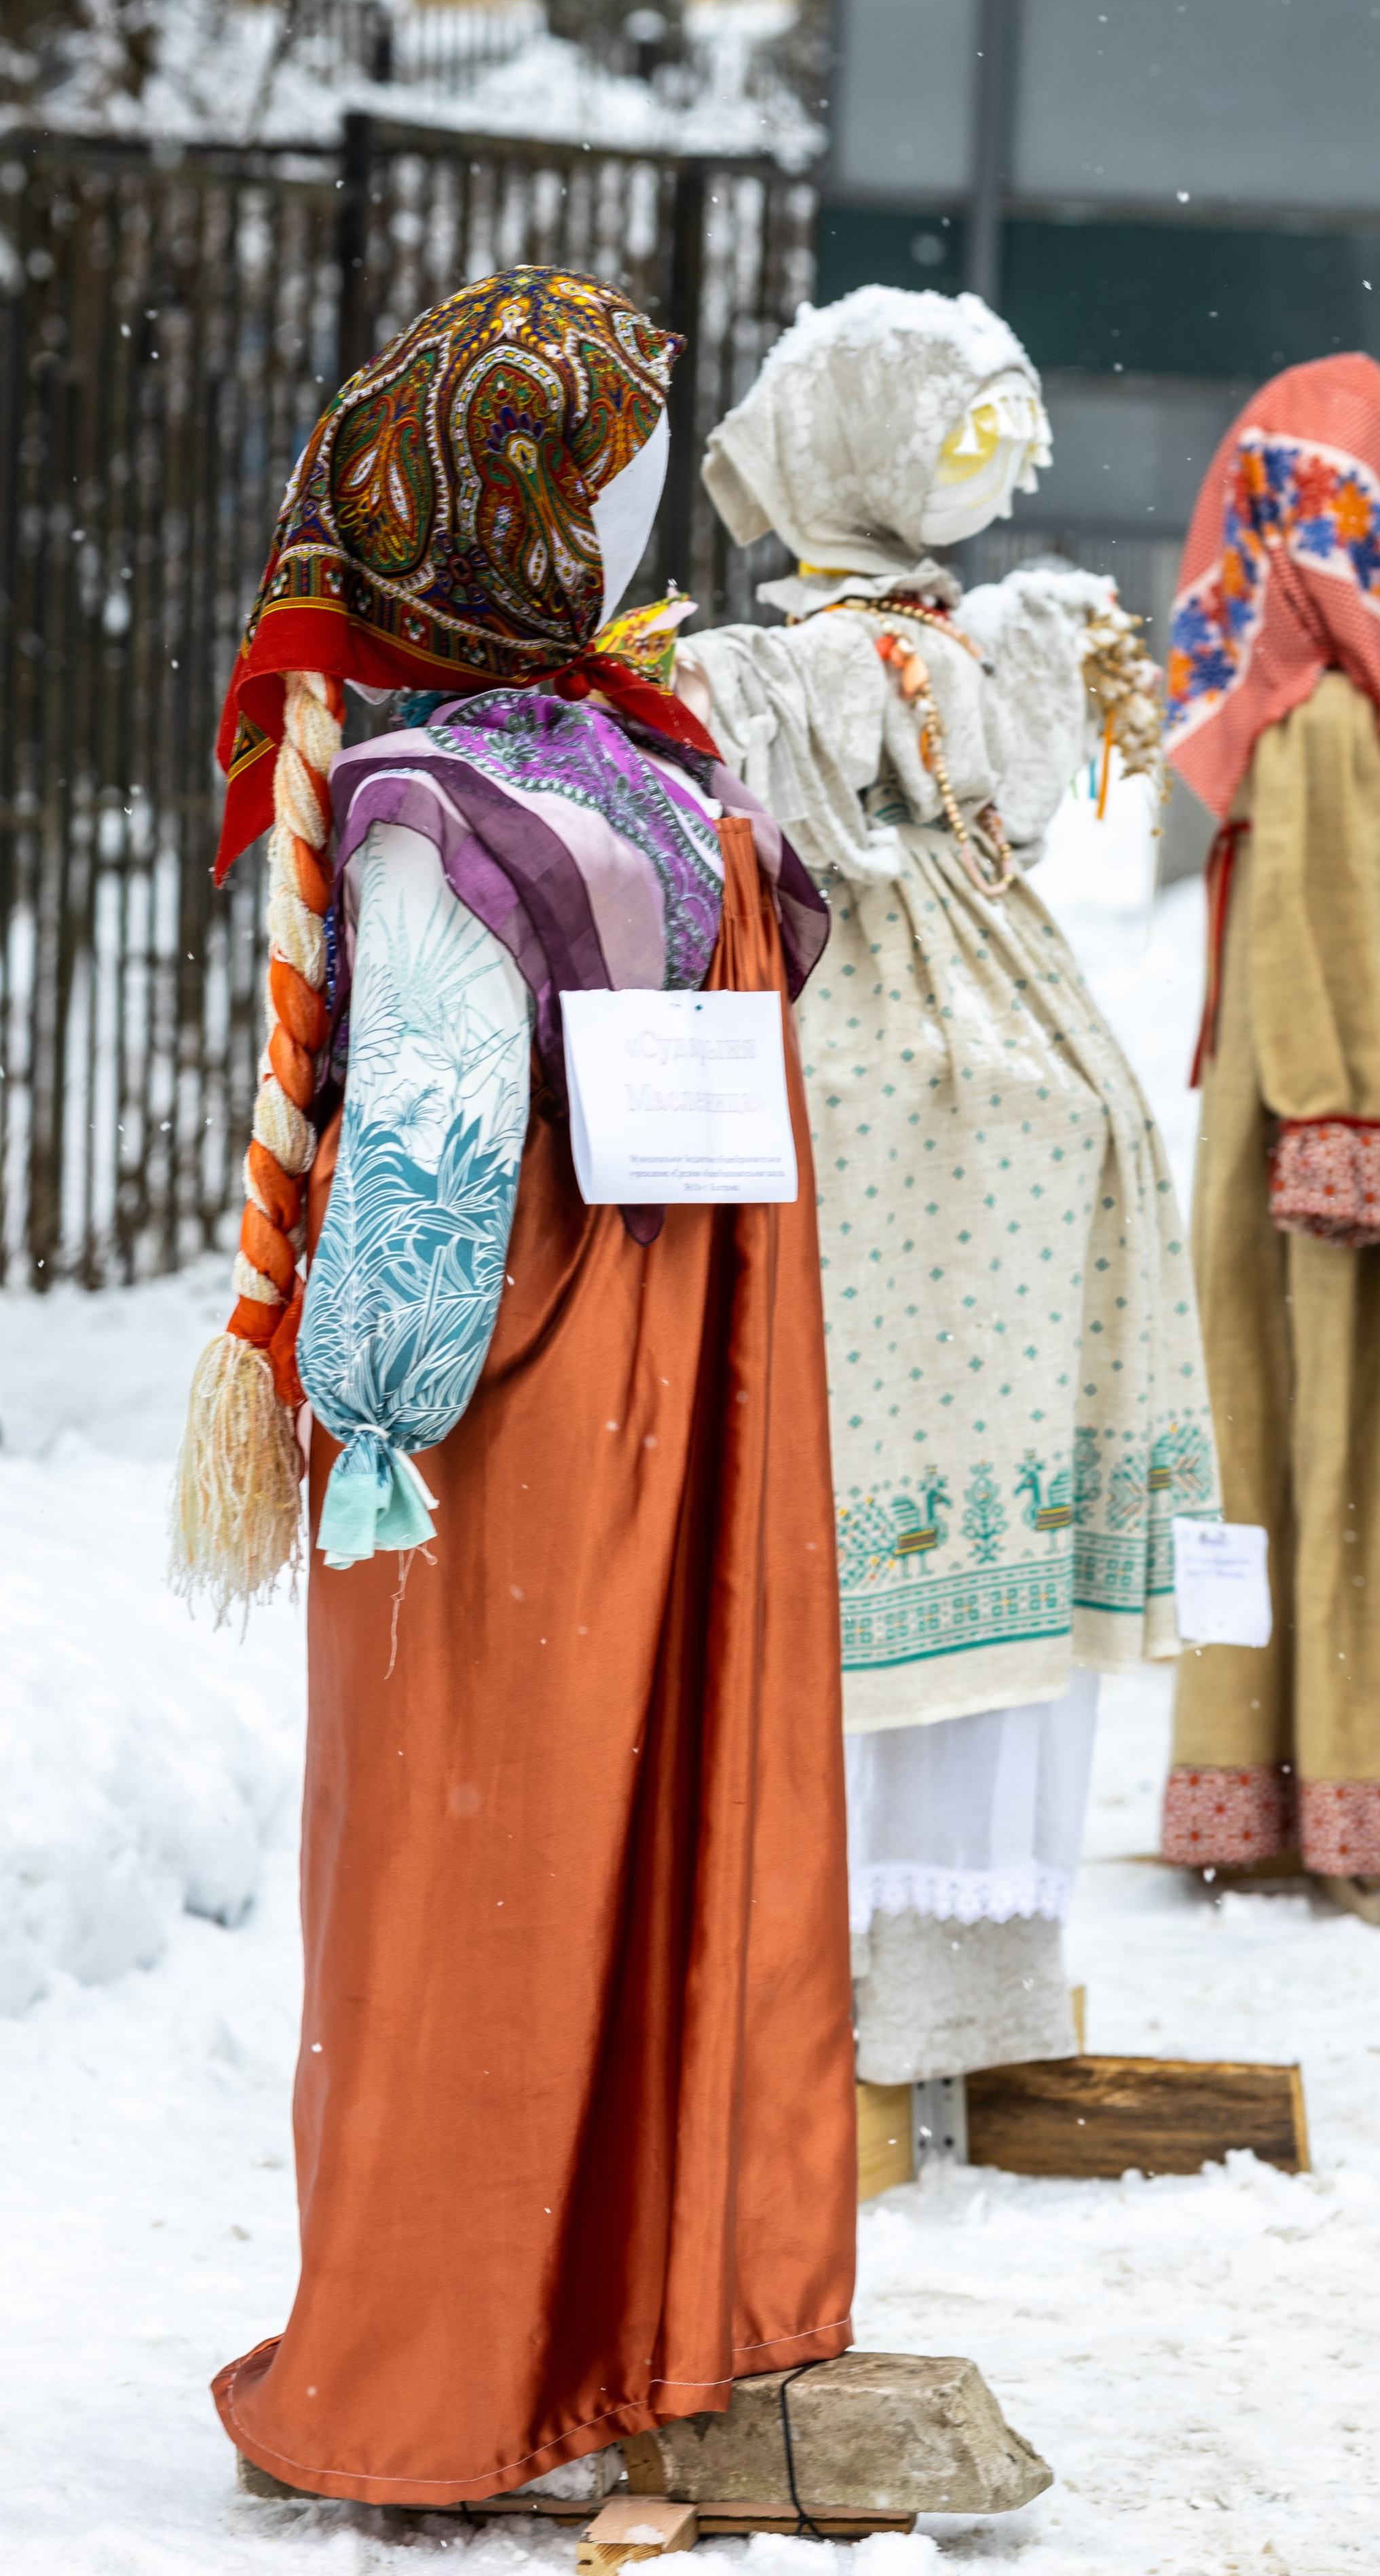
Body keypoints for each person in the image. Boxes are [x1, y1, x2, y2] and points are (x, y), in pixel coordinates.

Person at [170, 268, 857, 2505]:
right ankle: (623, 2311)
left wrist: (364, 1413)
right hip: (674, 1409)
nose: (652, 516)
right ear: (539, 527)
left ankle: (438, 2369)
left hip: (506, 1447)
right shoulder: (656, 783)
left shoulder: (443, 803)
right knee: (629, 1854)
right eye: (623, 475)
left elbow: (443, 1141)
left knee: (469, 1889)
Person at [681, 285, 1215, 2083]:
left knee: (971, 1465)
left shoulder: (935, 643)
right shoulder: (800, 667)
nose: (990, 471)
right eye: (957, 435)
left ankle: (950, 1985)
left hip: (985, 1063)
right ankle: (815, 1987)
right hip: (882, 1063)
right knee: (885, 1462)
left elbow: (1010, 795)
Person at [1158, 355, 1380, 1882]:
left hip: (1333, 1136)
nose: (1378, 556)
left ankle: (1292, 1770)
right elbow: (1303, 937)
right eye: (1363, 514)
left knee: (1299, 1450)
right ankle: (1345, 1781)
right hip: (1332, 1173)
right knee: (1335, 1448)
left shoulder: (1318, 709)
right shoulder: (1316, 728)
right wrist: (1333, 1125)